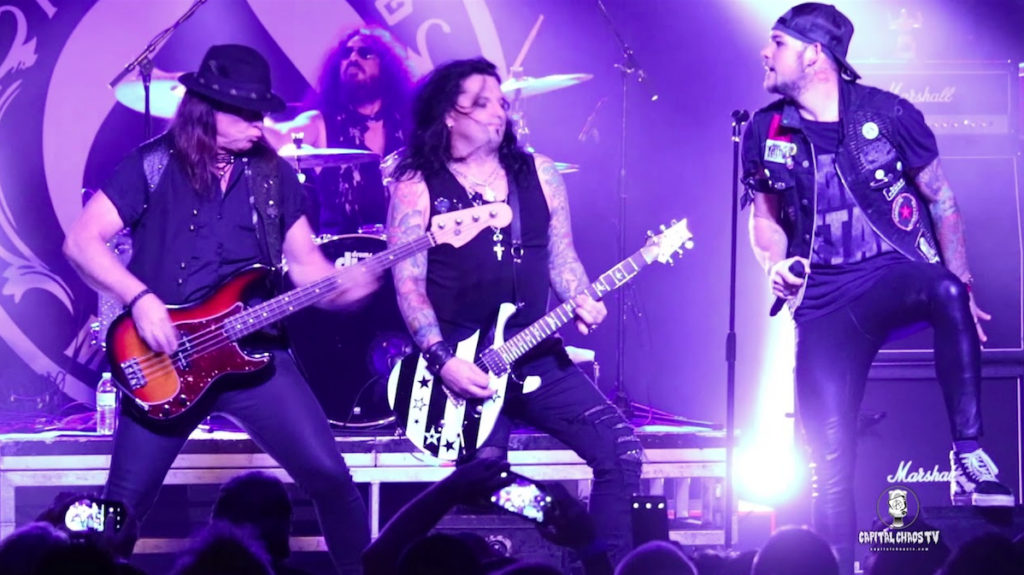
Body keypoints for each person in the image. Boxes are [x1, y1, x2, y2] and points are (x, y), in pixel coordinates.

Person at [63, 44, 378, 575]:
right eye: (247, 114)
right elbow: (81, 241)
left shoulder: (273, 175)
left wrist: (343, 288)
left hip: (254, 355)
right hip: (165, 359)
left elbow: (306, 267)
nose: (260, 126)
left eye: (262, 114)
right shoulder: (152, 164)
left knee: (331, 477)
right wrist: (140, 299)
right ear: (207, 109)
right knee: (121, 509)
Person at [741, 4, 1015, 573]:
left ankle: (968, 456)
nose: (765, 53)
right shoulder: (764, 130)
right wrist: (774, 264)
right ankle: (838, 565)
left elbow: (941, 199)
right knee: (829, 465)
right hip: (824, 302)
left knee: (945, 291)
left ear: (814, 54)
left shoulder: (888, 114)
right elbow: (763, 217)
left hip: (890, 274)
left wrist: (963, 286)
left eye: (778, 43)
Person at [385, 57, 642, 565]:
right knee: (483, 479)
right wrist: (442, 360)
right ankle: (553, 514)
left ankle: (606, 567)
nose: (497, 112)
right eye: (481, 103)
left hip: (533, 351)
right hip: (461, 365)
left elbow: (561, 256)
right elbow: (408, 284)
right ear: (449, 114)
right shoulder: (417, 183)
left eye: (500, 102)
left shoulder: (538, 173)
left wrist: (580, 296)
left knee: (621, 451)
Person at [265, 26, 415, 235]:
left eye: (365, 53)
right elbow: (281, 139)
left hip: (404, 246)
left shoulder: (408, 123)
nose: (353, 58)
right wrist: (247, 111)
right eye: (346, 53)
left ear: (386, 65)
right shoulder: (322, 121)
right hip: (342, 251)